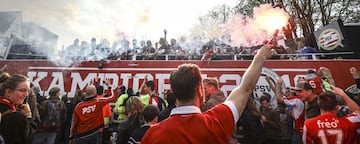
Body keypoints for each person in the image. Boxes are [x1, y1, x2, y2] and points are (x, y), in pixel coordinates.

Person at [141, 44, 274, 143]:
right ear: (200, 90)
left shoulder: (153, 134)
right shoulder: (216, 121)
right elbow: (245, 89)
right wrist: (259, 57)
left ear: (173, 91)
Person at [69, 79, 116, 144]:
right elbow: (112, 97)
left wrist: (71, 137)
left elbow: (74, 124)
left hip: (81, 136)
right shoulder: (98, 102)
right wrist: (109, 86)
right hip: (95, 133)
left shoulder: (78, 106)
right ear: (95, 93)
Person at [0, 74, 36, 144]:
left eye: (27, 91)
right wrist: (28, 117)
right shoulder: (17, 117)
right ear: (8, 92)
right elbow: (28, 139)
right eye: (22, 90)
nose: (26, 95)